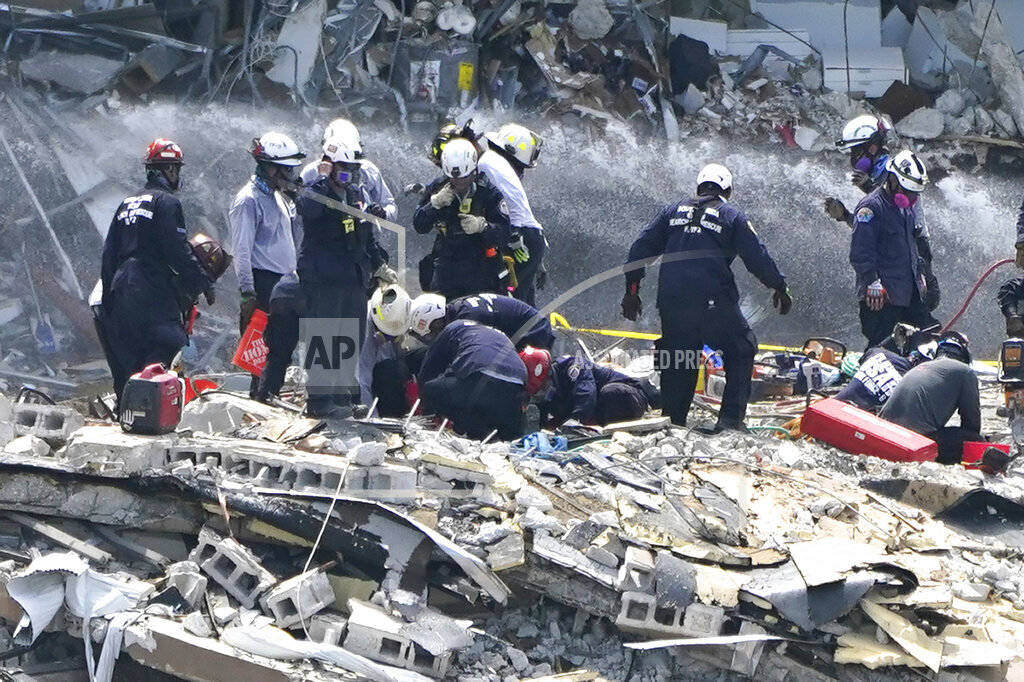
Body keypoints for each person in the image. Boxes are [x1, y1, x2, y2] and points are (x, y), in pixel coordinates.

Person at [622, 163, 791, 432]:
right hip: (713, 301)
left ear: (699, 187)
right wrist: (779, 287)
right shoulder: (731, 216)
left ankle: (673, 420)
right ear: (728, 190)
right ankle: (730, 422)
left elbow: (639, 249)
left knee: (681, 355)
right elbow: (757, 257)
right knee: (741, 348)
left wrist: (631, 291)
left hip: (671, 300)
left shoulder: (671, 211)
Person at [100, 139, 226, 405]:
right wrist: (201, 281)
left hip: (122, 284)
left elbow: (109, 252)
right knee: (166, 341)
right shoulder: (167, 202)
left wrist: (110, 297)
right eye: (176, 169)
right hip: (149, 283)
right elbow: (176, 250)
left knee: (131, 351)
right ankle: (150, 408)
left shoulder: (127, 203)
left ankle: (129, 410)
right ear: (170, 171)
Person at [296, 135, 394, 417]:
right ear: (328, 165)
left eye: (351, 169)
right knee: (325, 334)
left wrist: (379, 264)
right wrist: (322, 179)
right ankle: (320, 401)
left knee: (349, 335)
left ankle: (342, 397)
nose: (347, 175)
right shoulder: (317, 191)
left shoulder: (355, 194)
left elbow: (366, 237)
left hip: (352, 276)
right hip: (324, 276)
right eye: (341, 168)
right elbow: (306, 208)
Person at [827, 116, 940, 313]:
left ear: (872, 148)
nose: (853, 159)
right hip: (890, 277)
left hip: (907, 269)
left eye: (856, 151)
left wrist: (928, 278)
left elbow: (903, 228)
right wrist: (846, 215)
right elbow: (876, 231)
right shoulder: (877, 181)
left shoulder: (901, 178)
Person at [229, 132, 304, 395]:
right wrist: (247, 292)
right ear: (270, 168)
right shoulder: (248, 199)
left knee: (281, 349)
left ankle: (269, 397)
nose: (291, 177)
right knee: (258, 354)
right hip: (262, 283)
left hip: (284, 282)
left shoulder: (279, 197)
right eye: (287, 171)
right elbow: (241, 249)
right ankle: (257, 399)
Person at [849, 150, 938, 349]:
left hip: (907, 291)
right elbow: (860, 251)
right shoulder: (871, 208)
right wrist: (872, 281)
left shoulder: (904, 208)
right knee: (883, 345)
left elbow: (909, 245)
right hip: (882, 296)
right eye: (907, 191)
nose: (910, 197)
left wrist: (920, 274)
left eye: (913, 193)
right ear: (892, 179)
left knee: (924, 339)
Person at [413, 139, 511, 299]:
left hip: (481, 268)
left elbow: (505, 233)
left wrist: (483, 227)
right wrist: (434, 204)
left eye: (463, 178)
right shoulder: (439, 187)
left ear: (473, 171)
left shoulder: (489, 192)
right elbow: (419, 225)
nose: (458, 183)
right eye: (453, 178)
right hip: (447, 266)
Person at [878, 332, 981, 464]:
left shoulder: (921, 366)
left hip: (885, 433)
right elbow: (972, 423)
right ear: (964, 358)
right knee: (975, 440)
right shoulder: (966, 372)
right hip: (914, 441)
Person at [417, 319, 527, 440]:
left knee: (431, 389)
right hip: (516, 385)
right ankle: (490, 435)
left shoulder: (453, 328)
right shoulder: (498, 335)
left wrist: (426, 407)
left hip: (482, 378)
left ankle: (474, 431)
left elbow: (429, 368)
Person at [480, 123, 546, 305]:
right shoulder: (496, 164)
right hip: (531, 237)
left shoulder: (487, 163)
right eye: (520, 167)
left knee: (510, 303)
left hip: (520, 237)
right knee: (523, 304)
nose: (520, 173)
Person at [300, 118, 396, 221]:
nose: (351, 173)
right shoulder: (311, 173)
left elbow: (390, 205)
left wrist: (384, 213)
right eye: (344, 165)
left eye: (354, 167)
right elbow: (299, 216)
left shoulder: (368, 171)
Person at [532, 352, 651, 428]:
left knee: (610, 392)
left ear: (549, 374)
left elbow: (586, 395)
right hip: (601, 411)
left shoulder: (575, 366)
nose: (544, 394)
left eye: (544, 388)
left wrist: (575, 423)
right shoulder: (553, 393)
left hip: (632, 396)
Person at [408, 291, 554, 350]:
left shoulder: (469, 318)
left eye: (434, 329)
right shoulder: (458, 309)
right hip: (524, 328)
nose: (436, 334)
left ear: (438, 320)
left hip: (534, 333)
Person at [356, 284, 415, 417]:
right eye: (387, 334)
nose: (390, 339)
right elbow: (361, 381)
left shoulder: (399, 315)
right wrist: (372, 419)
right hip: (374, 379)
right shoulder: (363, 330)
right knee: (389, 371)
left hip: (385, 368)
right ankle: (390, 415)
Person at [255, 271, 304, 403]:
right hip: (305, 293)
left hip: (280, 293)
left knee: (278, 354)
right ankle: (323, 402)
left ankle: (266, 395)